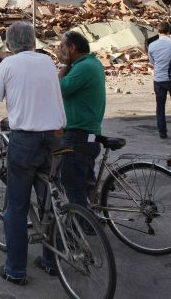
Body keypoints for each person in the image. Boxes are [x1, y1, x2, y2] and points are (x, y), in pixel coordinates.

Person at [0, 21, 66, 285]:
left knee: (16, 207)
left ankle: (15, 270)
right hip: (56, 138)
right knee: (51, 202)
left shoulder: (8, 65)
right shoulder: (48, 62)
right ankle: (52, 261)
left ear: (9, 45)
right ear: (34, 42)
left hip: (25, 141)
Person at [56, 31, 106, 210]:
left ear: (72, 48)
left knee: (73, 185)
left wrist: (63, 64)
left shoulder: (83, 67)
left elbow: (60, 88)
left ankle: (81, 225)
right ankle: (91, 221)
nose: (58, 50)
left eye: (62, 47)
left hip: (78, 134)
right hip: (88, 133)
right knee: (84, 182)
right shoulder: (90, 63)